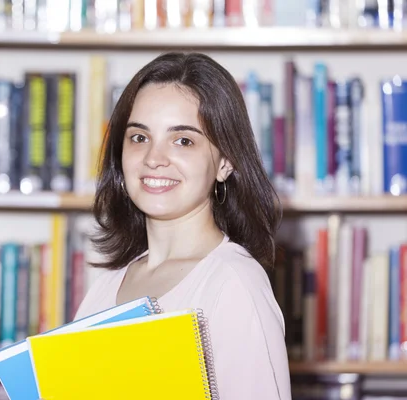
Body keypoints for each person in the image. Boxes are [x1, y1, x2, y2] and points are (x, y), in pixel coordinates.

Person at [74, 52, 292, 399]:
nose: (154, 159)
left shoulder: (234, 284)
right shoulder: (106, 288)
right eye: (139, 138)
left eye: (183, 140)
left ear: (225, 163)